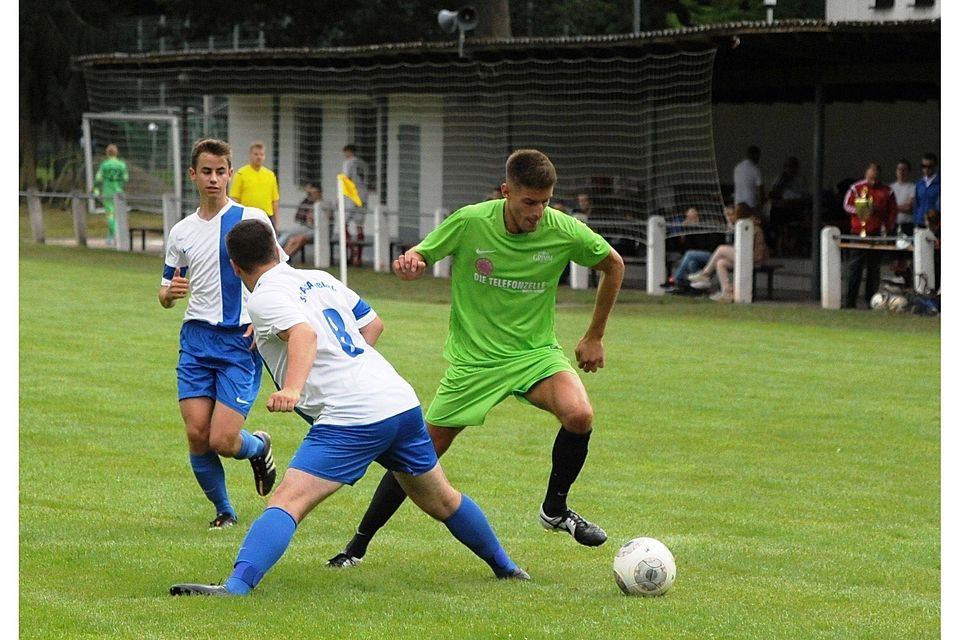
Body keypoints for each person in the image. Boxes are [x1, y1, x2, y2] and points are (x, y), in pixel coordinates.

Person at [169, 219, 529, 596]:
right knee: (441, 498)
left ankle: (236, 587)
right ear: (278, 250)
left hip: (352, 416)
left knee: (289, 500)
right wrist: (347, 366)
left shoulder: (261, 296)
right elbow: (373, 324)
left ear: (235, 267)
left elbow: (304, 335)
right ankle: (506, 567)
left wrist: (292, 388)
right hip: (398, 400)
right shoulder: (319, 278)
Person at [326, 149, 625, 569]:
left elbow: (613, 265)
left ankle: (555, 510)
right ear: (506, 192)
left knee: (579, 414)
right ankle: (356, 547)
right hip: (475, 362)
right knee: (417, 456)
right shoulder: (470, 221)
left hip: (534, 354)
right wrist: (411, 264)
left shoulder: (563, 230)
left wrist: (595, 335)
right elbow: (420, 256)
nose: (539, 212)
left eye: (546, 201)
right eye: (529, 202)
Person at [158, 138, 282, 529]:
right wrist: (169, 294)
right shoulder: (181, 231)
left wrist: (261, 319)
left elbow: (280, 276)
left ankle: (258, 446)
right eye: (206, 171)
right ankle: (224, 511)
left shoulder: (252, 219)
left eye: (220, 171)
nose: (214, 179)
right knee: (197, 434)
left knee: (223, 441)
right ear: (193, 175)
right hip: (196, 339)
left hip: (239, 342)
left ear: (231, 173)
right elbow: (165, 290)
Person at [842, 162, 897, 309]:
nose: (872, 181)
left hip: (876, 233)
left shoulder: (887, 191)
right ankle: (849, 302)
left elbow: (892, 212)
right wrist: (861, 210)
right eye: (870, 178)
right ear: (866, 174)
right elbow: (846, 205)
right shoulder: (856, 188)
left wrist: (888, 227)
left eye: (875, 179)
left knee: (874, 269)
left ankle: (871, 302)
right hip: (857, 233)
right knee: (855, 268)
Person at [688, 207, 768, 303]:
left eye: (733, 214)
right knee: (720, 262)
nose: (730, 217)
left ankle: (705, 274)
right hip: (744, 255)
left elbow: (744, 246)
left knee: (721, 249)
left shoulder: (751, 227)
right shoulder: (737, 226)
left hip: (753, 257)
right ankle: (727, 292)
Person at [229, 141, 281, 230]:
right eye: (256, 154)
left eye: (261, 154)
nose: (259, 157)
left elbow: (274, 200)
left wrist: (277, 220)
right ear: (250, 155)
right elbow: (235, 199)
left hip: (266, 217)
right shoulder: (241, 174)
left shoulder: (270, 175)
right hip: (247, 217)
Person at [277, 182, 333, 258]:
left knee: (298, 239)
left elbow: (326, 220)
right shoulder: (308, 202)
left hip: (319, 230)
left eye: (313, 193)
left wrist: (314, 218)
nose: (311, 195)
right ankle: (277, 254)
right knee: (287, 235)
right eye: (309, 193)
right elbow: (299, 217)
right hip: (307, 226)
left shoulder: (326, 204)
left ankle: (284, 259)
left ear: (319, 193)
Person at [767, 156, 810, 254]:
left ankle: (790, 245)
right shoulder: (780, 178)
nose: (789, 169)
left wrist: (791, 201)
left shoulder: (800, 179)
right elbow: (772, 193)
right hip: (780, 207)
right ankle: (779, 246)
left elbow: (804, 197)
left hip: (794, 206)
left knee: (793, 224)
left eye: (791, 166)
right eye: (787, 166)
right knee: (776, 218)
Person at [94, 144, 129, 245]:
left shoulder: (104, 165)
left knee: (110, 215)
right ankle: (109, 238)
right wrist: (120, 185)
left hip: (108, 192)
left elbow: (98, 178)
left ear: (107, 153)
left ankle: (117, 235)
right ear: (116, 153)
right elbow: (126, 178)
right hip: (119, 192)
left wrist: (96, 189)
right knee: (116, 215)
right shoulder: (122, 165)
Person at [341, 144, 370, 266]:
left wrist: (340, 197)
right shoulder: (363, 164)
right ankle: (359, 258)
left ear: (348, 152)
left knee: (344, 224)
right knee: (360, 226)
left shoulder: (348, 163)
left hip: (352, 197)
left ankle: (353, 252)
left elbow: (346, 179)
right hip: (363, 197)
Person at [733, 145, 764, 214]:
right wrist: (762, 204)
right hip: (751, 205)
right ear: (756, 155)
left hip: (738, 204)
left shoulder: (737, 168)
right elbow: (760, 190)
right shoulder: (756, 169)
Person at [913, 152, 940, 229]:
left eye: (929, 166)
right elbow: (916, 204)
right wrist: (916, 219)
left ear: (935, 167)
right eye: (923, 166)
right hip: (920, 222)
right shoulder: (919, 184)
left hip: (935, 223)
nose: (926, 169)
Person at [890, 159, 916, 236]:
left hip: (907, 225)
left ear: (909, 171)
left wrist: (892, 207)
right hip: (893, 225)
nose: (901, 172)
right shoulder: (890, 188)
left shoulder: (913, 187)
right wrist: (901, 207)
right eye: (899, 169)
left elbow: (909, 207)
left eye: (904, 169)